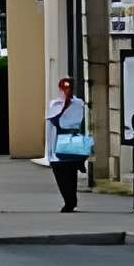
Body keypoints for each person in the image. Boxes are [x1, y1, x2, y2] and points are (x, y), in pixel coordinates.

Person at [47, 78, 90, 211]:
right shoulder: (55, 104)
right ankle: (70, 201)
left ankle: (70, 201)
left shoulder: (78, 103)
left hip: (71, 138)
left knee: (69, 173)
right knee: (63, 174)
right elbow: (53, 121)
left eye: (69, 88)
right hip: (60, 140)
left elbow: (79, 122)